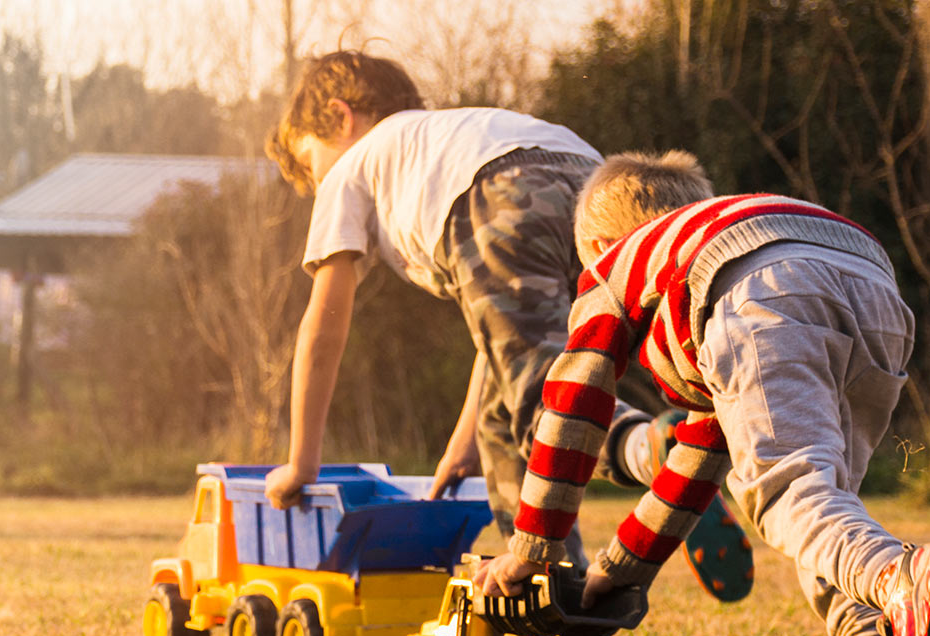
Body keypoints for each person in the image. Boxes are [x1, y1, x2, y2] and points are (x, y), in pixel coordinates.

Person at [472, 151, 930, 636]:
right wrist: (611, 582)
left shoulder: (619, 261)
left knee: (788, 494)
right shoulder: (703, 243)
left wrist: (533, 547)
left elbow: (571, 401)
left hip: (767, 292)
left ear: (597, 242)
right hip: (876, 287)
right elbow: (691, 468)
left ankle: (899, 575)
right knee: (821, 506)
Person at [259, 52, 750, 593]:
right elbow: (502, 340)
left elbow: (323, 325)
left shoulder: (355, 164)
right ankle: (557, 587)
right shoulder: (443, 137)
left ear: (341, 116)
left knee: (549, 410)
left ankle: (648, 451)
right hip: (594, 183)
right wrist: (463, 444)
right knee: (513, 413)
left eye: (312, 166)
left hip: (501, 191)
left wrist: (301, 465)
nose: (318, 184)